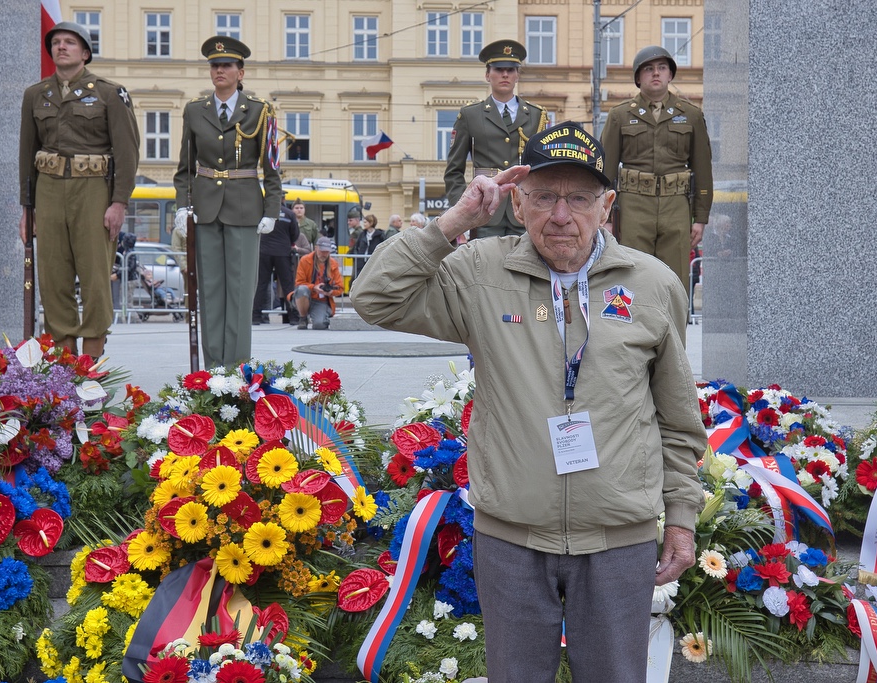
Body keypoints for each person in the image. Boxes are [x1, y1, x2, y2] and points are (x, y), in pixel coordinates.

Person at [351, 122, 706, 682]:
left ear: (606, 205)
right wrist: (454, 222)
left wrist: (681, 520)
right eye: (544, 196)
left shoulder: (653, 284)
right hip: (511, 541)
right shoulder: (479, 273)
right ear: (518, 202)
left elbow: (679, 420)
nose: (561, 215)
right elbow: (374, 297)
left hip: (618, 541)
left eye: (579, 198)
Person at [19, 21, 140, 359]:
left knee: (95, 276)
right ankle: (63, 360)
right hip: (49, 191)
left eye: (70, 42)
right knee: (53, 276)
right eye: (56, 42)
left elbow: (128, 152)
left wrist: (119, 202)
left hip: (93, 192)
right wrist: (27, 209)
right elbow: (26, 156)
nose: (61, 47)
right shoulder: (35, 95)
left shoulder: (109, 93)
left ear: (85, 53)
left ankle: (91, 357)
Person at [173, 36, 283, 368]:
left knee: (239, 294)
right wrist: (181, 205)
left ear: (240, 71)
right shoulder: (194, 110)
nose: (219, 70)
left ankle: (237, 370)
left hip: (245, 208)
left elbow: (272, 166)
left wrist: (272, 210)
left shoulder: (261, 110)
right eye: (215, 65)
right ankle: (211, 371)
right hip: (206, 210)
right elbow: (184, 168)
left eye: (227, 65)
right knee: (210, 293)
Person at [600, 45, 713, 296]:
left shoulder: (691, 115)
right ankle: (635, 335)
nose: (656, 73)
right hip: (633, 207)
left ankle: (672, 335)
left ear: (670, 75)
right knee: (633, 276)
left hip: (677, 206)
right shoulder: (620, 116)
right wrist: (605, 218)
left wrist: (701, 218)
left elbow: (703, 168)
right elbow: (605, 171)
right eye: (648, 69)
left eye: (662, 68)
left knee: (675, 280)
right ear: (638, 78)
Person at [443, 39, 548, 240]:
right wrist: (462, 211)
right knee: (484, 267)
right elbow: (453, 172)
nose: (505, 74)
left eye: (511, 69)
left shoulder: (536, 115)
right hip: (484, 208)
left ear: (518, 75)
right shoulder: (470, 115)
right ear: (487, 75)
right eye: (499, 69)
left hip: (524, 207)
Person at [253, 202, 299, 325]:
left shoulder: (263, 213)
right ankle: (293, 317)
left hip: (264, 252)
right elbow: (295, 234)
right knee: (287, 285)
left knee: (261, 284)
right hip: (283, 252)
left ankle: (255, 316)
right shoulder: (289, 214)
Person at [292, 237, 344, 330]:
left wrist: (330, 292)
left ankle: (325, 316)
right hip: (307, 295)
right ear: (316, 248)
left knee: (319, 325)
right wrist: (314, 287)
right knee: (302, 289)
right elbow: (299, 283)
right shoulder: (305, 260)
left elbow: (340, 288)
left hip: (321, 300)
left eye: (326, 252)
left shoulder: (333, 264)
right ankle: (303, 318)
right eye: (322, 251)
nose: (324, 254)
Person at [350, 213, 384, 282]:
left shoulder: (380, 235)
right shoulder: (362, 234)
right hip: (361, 263)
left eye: (365, 222)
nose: (363, 224)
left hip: (374, 263)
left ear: (371, 223)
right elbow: (356, 246)